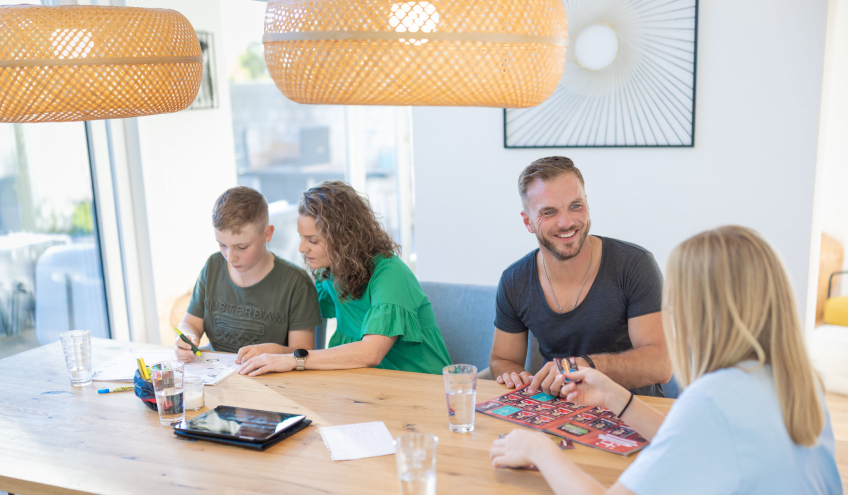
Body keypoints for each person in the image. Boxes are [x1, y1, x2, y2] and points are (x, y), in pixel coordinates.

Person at [490, 226, 843, 494]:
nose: (671, 309)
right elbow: (694, 438)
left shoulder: (713, 399)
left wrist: (539, 450)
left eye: (677, 296)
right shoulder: (797, 379)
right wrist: (616, 397)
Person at [490, 156, 672, 397]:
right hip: (559, 412)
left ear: (587, 203)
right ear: (528, 221)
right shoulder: (514, 280)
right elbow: (502, 359)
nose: (566, 222)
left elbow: (661, 365)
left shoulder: (635, 265)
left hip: (634, 414)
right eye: (549, 212)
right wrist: (514, 374)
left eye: (575, 206)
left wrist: (585, 367)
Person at [236, 181, 452, 376]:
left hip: (420, 386)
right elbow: (296, 314)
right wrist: (277, 350)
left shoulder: (391, 275)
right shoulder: (329, 273)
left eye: (312, 240)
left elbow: (370, 353)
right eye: (301, 237)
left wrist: (293, 359)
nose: (302, 248)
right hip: (364, 385)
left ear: (344, 239)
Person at [175, 186, 323, 362]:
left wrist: (274, 352)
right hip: (217, 377)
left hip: (271, 383)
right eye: (222, 245)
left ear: (267, 234)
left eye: (241, 247)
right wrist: (187, 338)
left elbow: (304, 354)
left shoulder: (296, 283)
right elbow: (190, 323)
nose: (230, 257)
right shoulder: (213, 266)